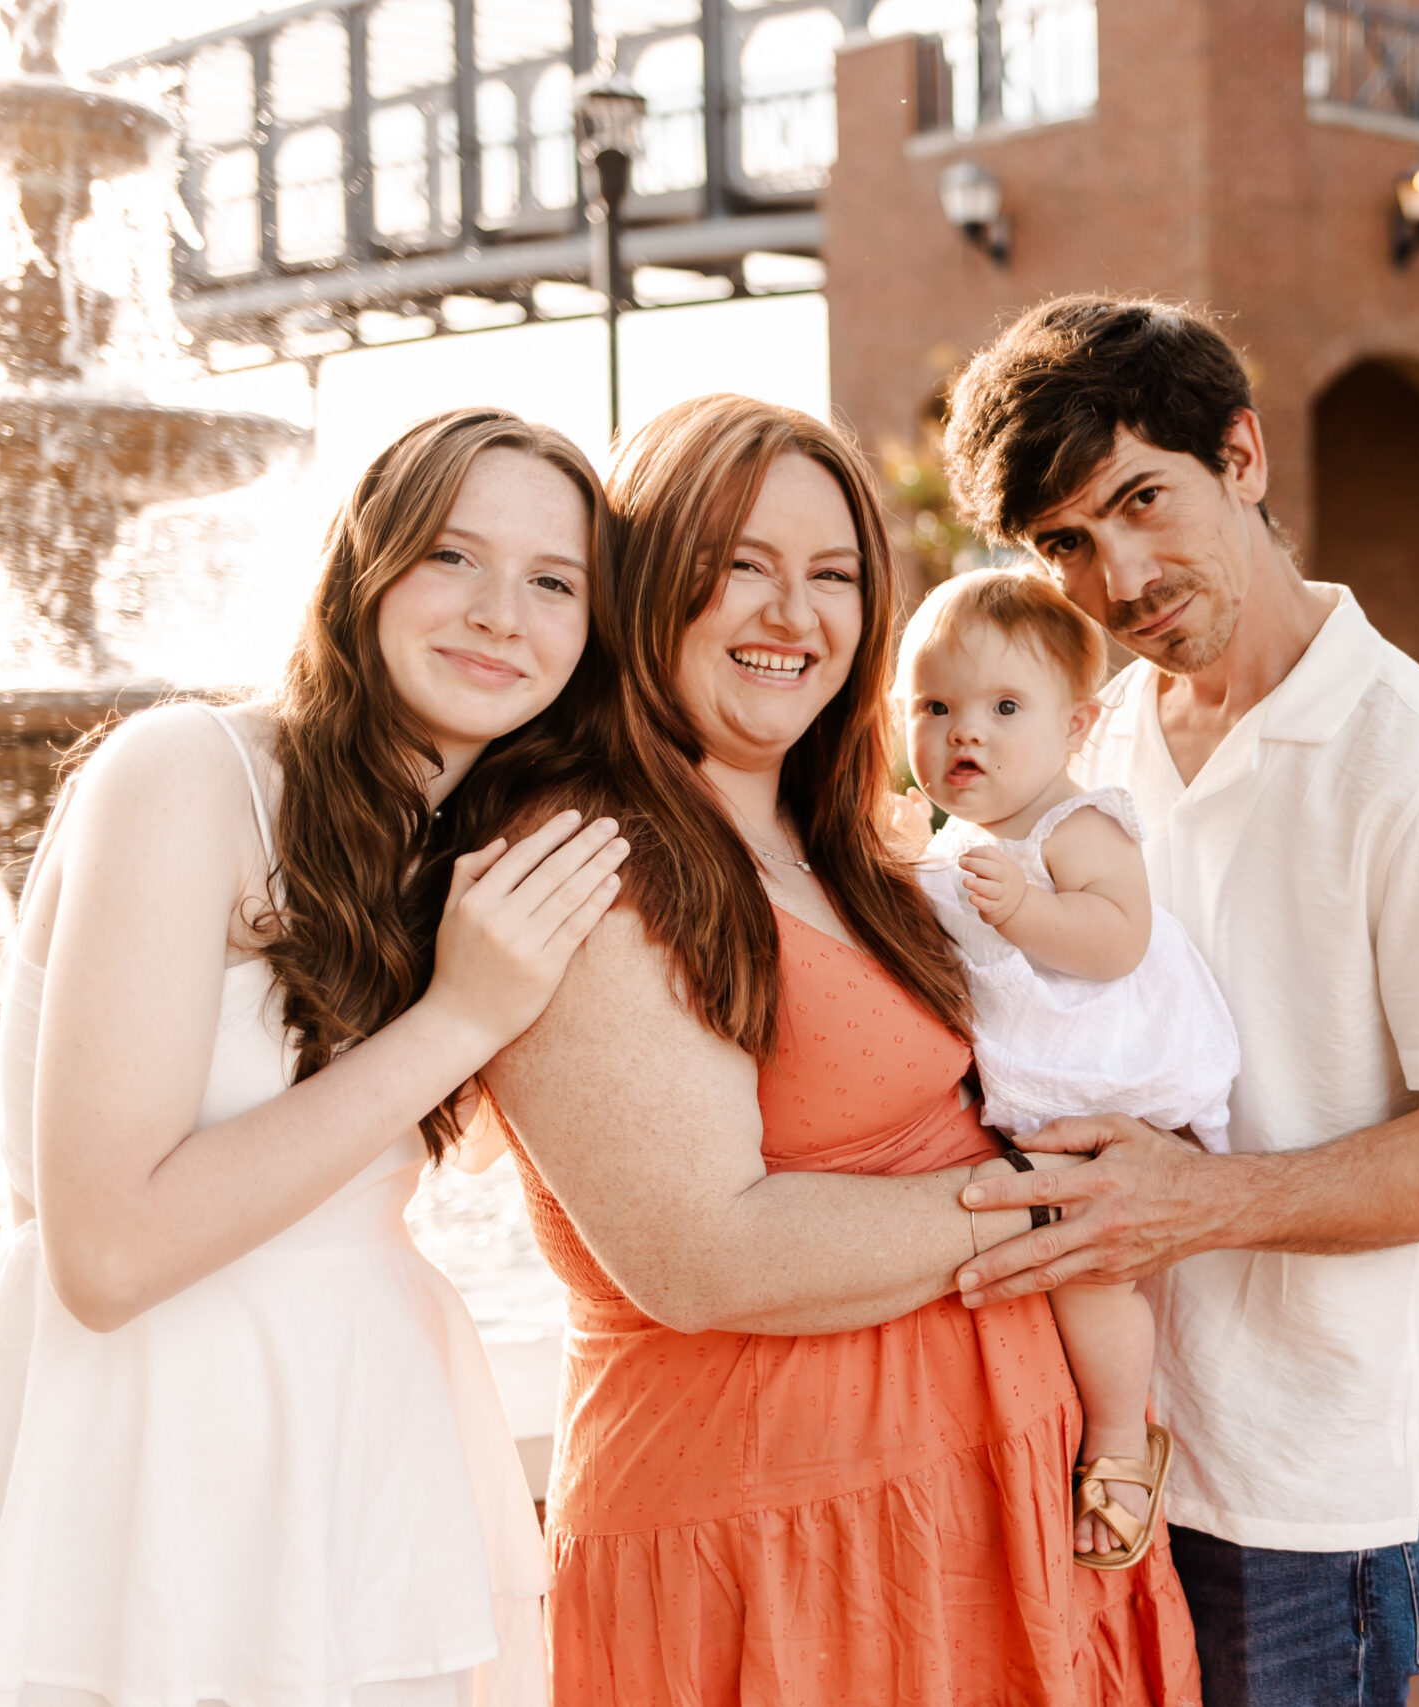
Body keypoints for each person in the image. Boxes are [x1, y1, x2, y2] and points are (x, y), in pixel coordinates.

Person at [0, 408, 632, 1707]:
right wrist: (458, 1017)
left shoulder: (465, 851)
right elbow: (107, 1254)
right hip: (135, 1437)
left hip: (361, 1434)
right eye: (453, 555)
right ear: (363, 568)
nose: (503, 612)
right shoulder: (188, 773)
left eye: (555, 582)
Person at [469, 393, 1201, 1705]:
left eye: (831, 575)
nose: (792, 616)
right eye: (738, 563)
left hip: (1000, 1496)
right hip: (789, 1549)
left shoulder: (850, 836)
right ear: (644, 581)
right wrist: (1062, 1198)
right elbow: (704, 1251)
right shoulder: (584, 850)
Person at [944, 297, 1419, 1707]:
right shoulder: (1094, 738)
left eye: (1144, 499)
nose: (1122, 573)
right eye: (1067, 544)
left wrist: (1196, 1203)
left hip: (1303, 1491)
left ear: (1245, 456)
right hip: (1120, 1437)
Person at [895, 569, 1240, 1568]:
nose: (968, 734)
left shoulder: (1074, 827)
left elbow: (1115, 940)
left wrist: (1025, 911)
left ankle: (1122, 1445)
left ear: (1077, 725)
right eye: (936, 707)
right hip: (1038, 1097)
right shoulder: (961, 840)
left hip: (1113, 1092)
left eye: (1005, 708)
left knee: (1089, 1281)